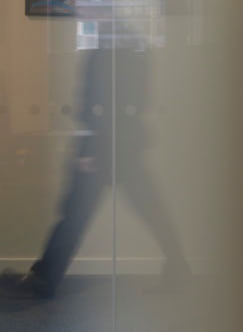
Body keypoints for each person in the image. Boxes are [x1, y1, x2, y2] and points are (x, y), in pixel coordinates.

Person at [2, 23, 190, 299]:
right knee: (150, 209)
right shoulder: (138, 56)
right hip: (126, 146)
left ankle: (44, 280)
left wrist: (90, 149)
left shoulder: (103, 57)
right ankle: (178, 267)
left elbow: (92, 103)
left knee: (74, 216)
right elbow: (135, 104)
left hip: (101, 147)